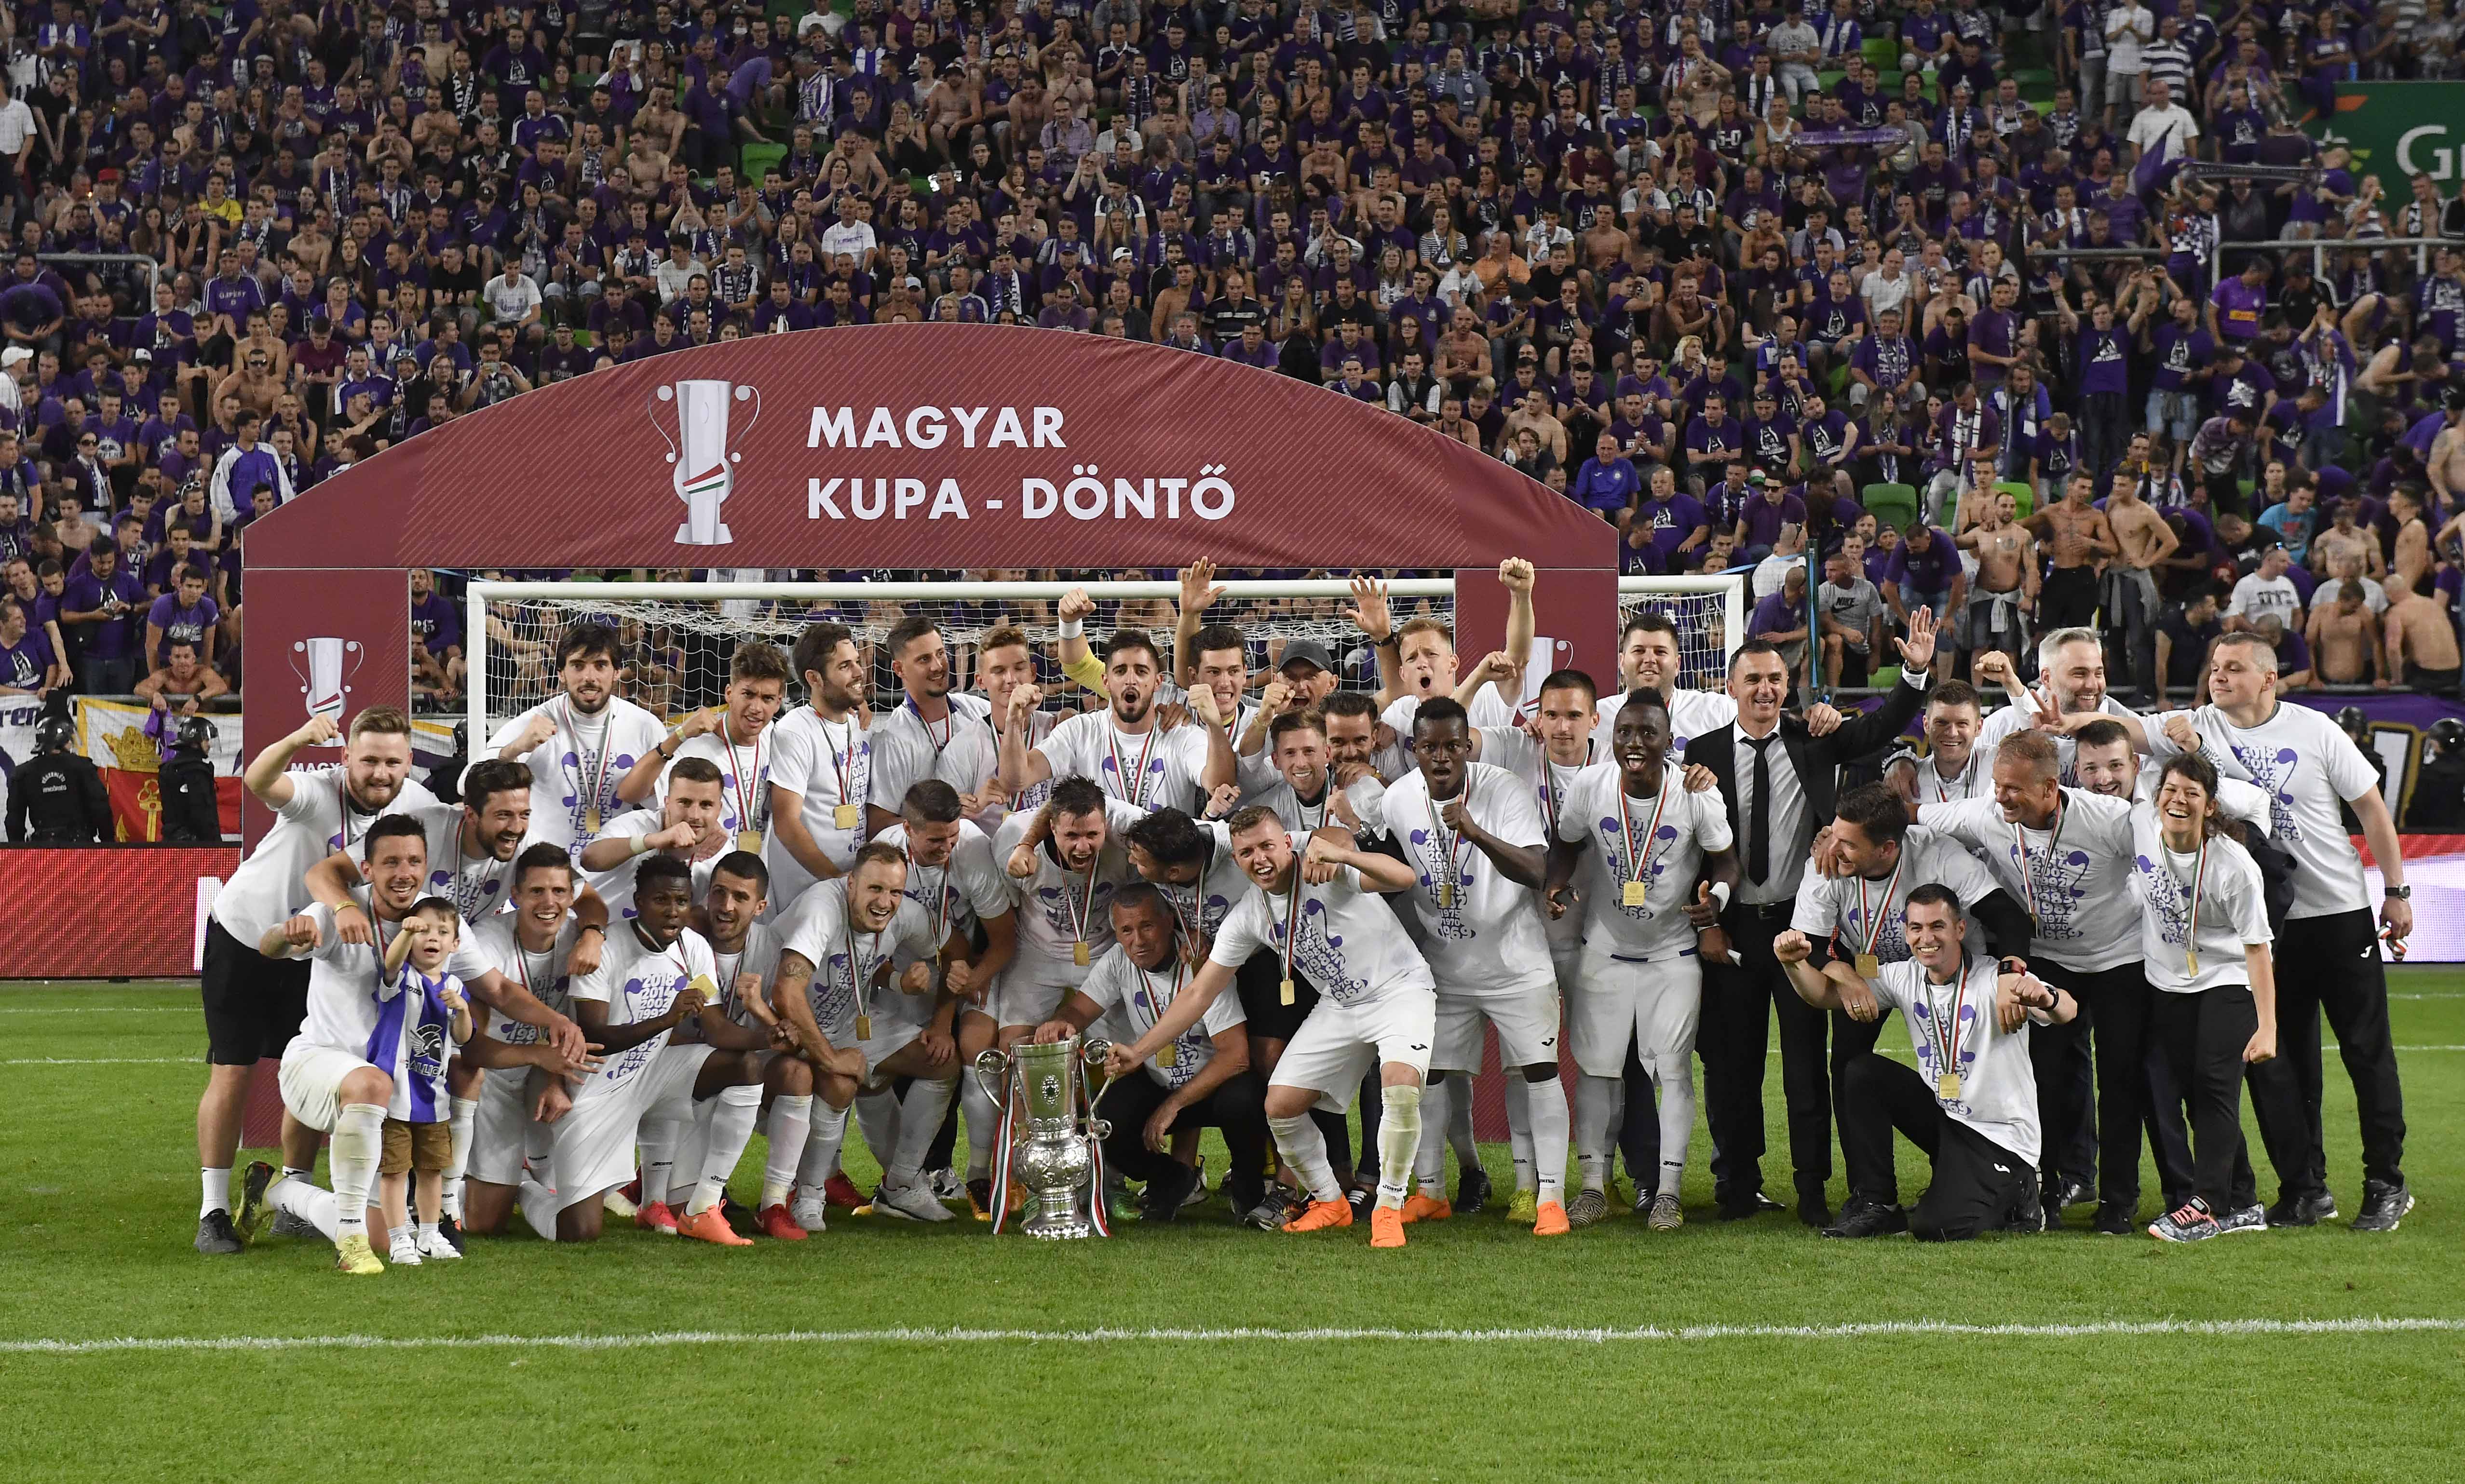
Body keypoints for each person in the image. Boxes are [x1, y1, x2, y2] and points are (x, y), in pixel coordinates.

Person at [2106, 632, 2414, 1231]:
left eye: (2234, 669)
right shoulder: (2194, 721)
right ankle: (2306, 1189)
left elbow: (2372, 808)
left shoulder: (2314, 730)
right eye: (2215, 667)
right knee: (2280, 1065)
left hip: (2338, 911)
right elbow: (2122, 730)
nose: (2218, 677)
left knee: (2365, 1051)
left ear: (2268, 679)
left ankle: (2386, 1182)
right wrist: (2047, 701)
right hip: (2273, 929)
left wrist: (2396, 892)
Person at [1684, 616, 1936, 1226]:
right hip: (1737, 930)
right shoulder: (1702, 754)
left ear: (1789, 683)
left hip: (1803, 934)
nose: (1766, 689)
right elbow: (1693, 848)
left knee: (1805, 1070)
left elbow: (1880, 725)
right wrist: (1707, 924)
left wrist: (1915, 672)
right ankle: (1736, 1185)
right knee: (1731, 1065)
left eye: (1776, 678)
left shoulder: (1815, 737)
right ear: (1730, 685)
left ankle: (1812, 1191)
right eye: (1754, 680)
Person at [1103, 806, 1435, 1248]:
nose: (1259, 858)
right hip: (1340, 1005)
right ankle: (1330, 1203)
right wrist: (1140, 1051)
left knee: (1399, 1085)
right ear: (1236, 859)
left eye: (1266, 846)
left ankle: (1389, 1208)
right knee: (1279, 1105)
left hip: (1399, 990)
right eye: (1246, 852)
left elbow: (1403, 878)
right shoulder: (1249, 914)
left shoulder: (1325, 868)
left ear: (1287, 843)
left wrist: (1346, 856)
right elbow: (1199, 993)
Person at [193, 707, 439, 1256]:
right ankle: (212, 1209)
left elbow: (468, 818)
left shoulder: (417, 805)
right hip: (247, 933)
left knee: (308, 1061)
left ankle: (294, 1188)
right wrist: (301, 734)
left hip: (316, 951)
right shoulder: (316, 790)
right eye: (369, 759)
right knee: (234, 1069)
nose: (381, 773)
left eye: (393, 762)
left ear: (410, 764)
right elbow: (258, 780)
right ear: (346, 757)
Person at [1921, 730, 2159, 1231]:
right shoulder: (1987, 813)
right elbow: (1914, 816)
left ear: (2051, 788)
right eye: (1997, 785)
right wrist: (1834, 832)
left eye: (2015, 789)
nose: (2002, 797)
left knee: (2120, 1081)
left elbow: (2166, 851)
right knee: (2041, 1082)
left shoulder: (2108, 819)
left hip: (2118, 959)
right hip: (2048, 961)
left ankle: (2119, 1200)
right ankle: (2045, 1190)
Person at [1789, 782, 2032, 1236]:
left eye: (1847, 842)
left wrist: (2009, 977)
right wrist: (1842, 975)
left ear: (1886, 849)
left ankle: (2006, 1175)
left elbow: (2010, 917)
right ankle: (1872, 1197)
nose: (1831, 847)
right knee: (1850, 1070)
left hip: (1947, 973)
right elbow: (1812, 943)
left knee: (1972, 1071)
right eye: (1834, 834)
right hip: (1875, 978)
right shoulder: (1827, 863)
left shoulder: (1939, 856)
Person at [1776, 884, 2076, 1239]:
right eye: (1916, 928)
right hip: (1947, 1119)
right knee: (1861, 1072)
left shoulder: (1996, 979)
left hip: (1999, 1137)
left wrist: (2047, 997)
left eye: (1937, 927)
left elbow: (2067, 1010)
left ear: (1960, 930)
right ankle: (1879, 1205)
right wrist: (1793, 964)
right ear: (1906, 932)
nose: (1926, 938)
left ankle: (2023, 1190)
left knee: (1937, 1227)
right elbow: (1825, 996)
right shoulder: (1904, 976)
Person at [1545, 688, 1737, 1230]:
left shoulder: (1696, 793)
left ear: (1668, 741)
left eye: (1647, 734)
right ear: (1612, 735)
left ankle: (1671, 1192)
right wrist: (1556, 883)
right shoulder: (1590, 784)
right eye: (1625, 732)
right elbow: (1565, 843)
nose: (1634, 744)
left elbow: (1727, 865)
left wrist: (1714, 904)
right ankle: (1590, 1188)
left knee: (1672, 1071)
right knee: (1597, 1071)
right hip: (1604, 951)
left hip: (1672, 953)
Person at [1380, 698, 1571, 1235]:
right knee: (1432, 1077)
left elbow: (1538, 869)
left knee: (1539, 1072)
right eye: (1429, 746)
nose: (1441, 757)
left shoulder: (1503, 788)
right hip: (1444, 966)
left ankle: (1551, 1198)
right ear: (1414, 749)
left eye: (1451, 746)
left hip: (1516, 962)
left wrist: (1475, 831)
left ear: (1468, 746)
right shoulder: (1397, 799)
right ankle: (1433, 1192)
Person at [520, 853, 766, 1244]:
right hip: (593, 1088)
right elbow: (594, 1032)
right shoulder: (607, 948)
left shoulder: (695, 948)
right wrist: (667, 1020)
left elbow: (717, 1028)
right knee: (578, 1233)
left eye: (682, 902)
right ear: (638, 901)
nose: (673, 912)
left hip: (652, 1074)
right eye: (661, 901)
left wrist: (769, 1038)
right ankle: (522, 1184)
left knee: (748, 1068)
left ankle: (702, 1208)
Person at [236, 815, 436, 1274]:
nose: (403, 873)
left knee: (386, 1235)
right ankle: (350, 1242)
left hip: (388, 1084)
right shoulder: (338, 910)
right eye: (390, 863)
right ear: (366, 869)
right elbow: (267, 945)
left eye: (414, 862)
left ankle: (277, 1192)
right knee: (371, 1083)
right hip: (317, 1066)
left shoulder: (433, 918)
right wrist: (288, 932)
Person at [1034, 883, 1272, 1222]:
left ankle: (1249, 1191)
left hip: (1216, 1086)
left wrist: (1174, 1104)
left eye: (1147, 926)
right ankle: (1172, 1180)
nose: (1138, 941)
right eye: (1126, 930)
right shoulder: (1118, 961)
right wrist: (1062, 1023)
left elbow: (1235, 1056)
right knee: (1109, 1118)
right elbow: (1080, 1011)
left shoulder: (1203, 961)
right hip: (1159, 1083)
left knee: (1244, 1101)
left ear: (1169, 922)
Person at [2127, 753, 2280, 1242]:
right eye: (2172, 790)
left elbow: (2257, 950)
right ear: (2158, 797)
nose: (2179, 800)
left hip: (2228, 977)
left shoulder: (2235, 868)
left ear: (2210, 806)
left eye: (2192, 794)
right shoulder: (2140, 826)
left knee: (2216, 1085)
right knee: (2195, 1094)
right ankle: (2243, 1200)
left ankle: (2207, 1204)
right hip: (2168, 982)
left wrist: (2267, 1025)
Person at [973, 776, 1141, 1214]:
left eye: (1092, 834)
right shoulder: (1013, 839)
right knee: (1013, 1054)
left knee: (1115, 1061)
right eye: (1071, 835)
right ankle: (1028, 1177)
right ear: (1051, 828)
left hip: (1105, 953)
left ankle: (1112, 1178)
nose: (1083, 846)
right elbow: (1005, 909)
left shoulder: (1127, 831)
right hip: (1038, 955)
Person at [769, 841, 957, 1224]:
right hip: (777, 1030)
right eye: (875, 889)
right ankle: (809, 1195)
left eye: (895, 892)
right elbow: (786, 991)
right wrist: (832, 1058)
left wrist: (939, 1020)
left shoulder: (905, 914)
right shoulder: (823, 906)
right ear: (850, 883)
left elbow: (955, 954)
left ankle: (902, 1187)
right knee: (841, 1080)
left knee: (942, 1061)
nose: (886, 902)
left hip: (847, 1020)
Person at [489, 621, 667, 858]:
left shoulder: (645, 726)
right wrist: (516, 748)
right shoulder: (537, 721)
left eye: (601, 665)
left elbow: (667, 806)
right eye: (578, 666)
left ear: (616, 673)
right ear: (562, 673)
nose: (589, 677)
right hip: (547, 870)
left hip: (617, 871)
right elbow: (466, 784)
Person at [370, 897, 476, 1267]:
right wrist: (404, 932)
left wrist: (462, 1009)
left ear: (455, 944)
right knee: (396, 1170)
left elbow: (463, 1037)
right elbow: (390, 963)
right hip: (395, 1095)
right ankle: (400, 1239)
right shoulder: (402, 978)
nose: (432, 938)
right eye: (423, 930)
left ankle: (430, 1234)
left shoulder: (456, 985)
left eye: (442, 932)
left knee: (432, 1170)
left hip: (434, 1098)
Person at [617, 640, 792, 849]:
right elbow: (629, 795)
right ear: (729, 693)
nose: (756, 708)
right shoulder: (694, 745)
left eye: (767, 698)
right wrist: (678, 736)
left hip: (763, 872)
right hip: (705, 870)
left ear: (778, 702)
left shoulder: (781, 740)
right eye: (748, 694)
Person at [765, 621, 878, 908]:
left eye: (856, 662)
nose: (858, 672)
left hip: (849, 886)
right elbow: (786, 824)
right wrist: (836, 880)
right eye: (844, 667)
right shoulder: (795, 730)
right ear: (815, 679)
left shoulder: (860, 725)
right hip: (805, 894)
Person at [5, 713, 108, 842]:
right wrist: (108, 843)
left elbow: (14, 820)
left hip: (42, 850)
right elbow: (101, 808)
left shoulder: (23, 773)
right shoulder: (83, 767)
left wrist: (18, 850)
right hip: (80, 848)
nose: (71, 743)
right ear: (63, 739)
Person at [157, 714, 221, 843]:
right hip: (197, 847)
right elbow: (203, 815)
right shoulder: (197, 771)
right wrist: (215, 844)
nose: (209, 745)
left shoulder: (167, 768)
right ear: (195, 741)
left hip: (170, 843)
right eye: (206, 740)